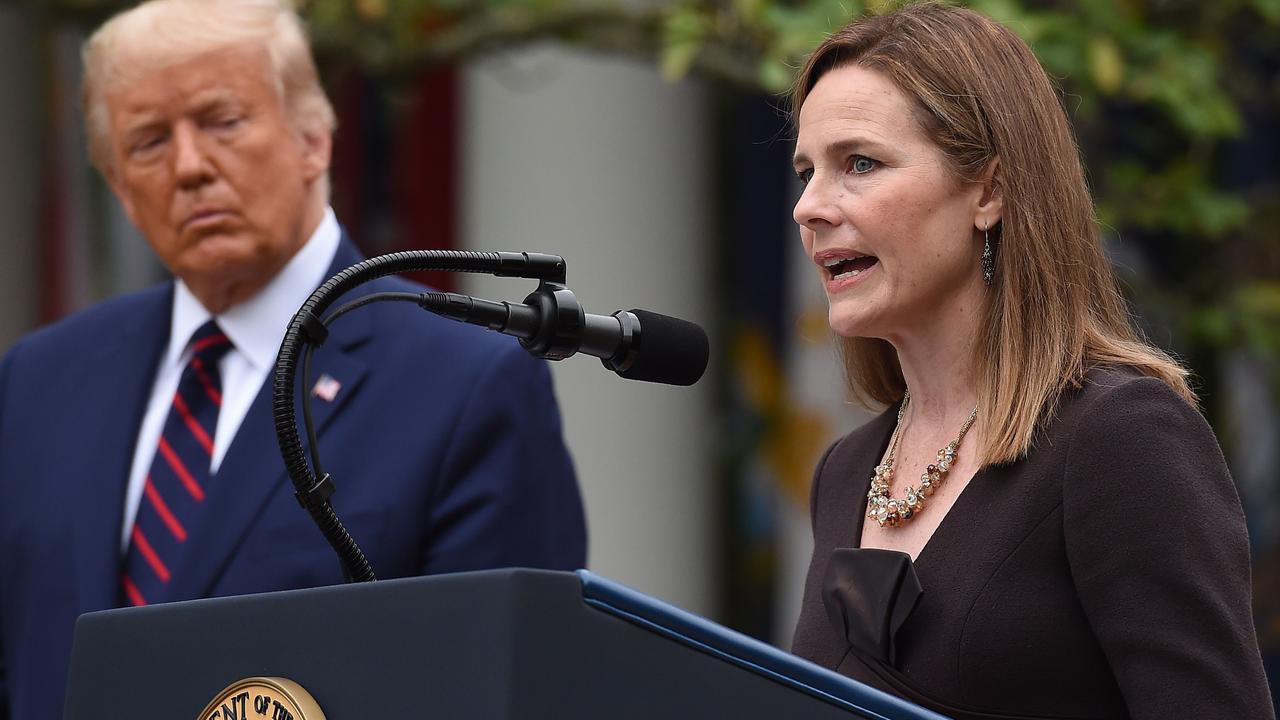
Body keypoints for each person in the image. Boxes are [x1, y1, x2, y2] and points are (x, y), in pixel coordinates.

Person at [0, 1, 586, 718]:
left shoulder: (465, 385)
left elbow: (514, 687)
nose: (189, 167)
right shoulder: (39, 380)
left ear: (313, 138)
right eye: (149, 142)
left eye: (222, 122)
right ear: (120, 188)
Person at [787, 3, 1273, 718]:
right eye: (806, 171)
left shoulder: (1119, 437)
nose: (810, 206)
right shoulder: (845, 472)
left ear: (989, 190)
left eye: (860, 163)